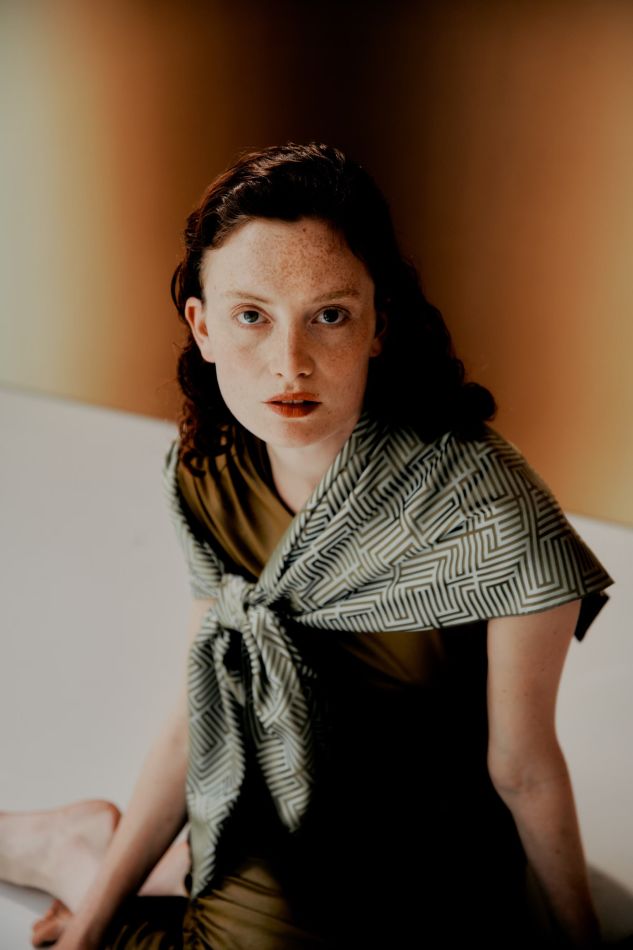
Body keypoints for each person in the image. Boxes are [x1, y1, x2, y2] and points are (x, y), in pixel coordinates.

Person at [0, 142, 614, 949]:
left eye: (329, 315)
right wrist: (93, 925)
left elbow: (522, 766)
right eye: (251, 316)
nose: (289, 365)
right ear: (202, 326)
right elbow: (198, 710)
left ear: (377, 324)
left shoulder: (490, 512)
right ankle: (95, 857)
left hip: (424, 844)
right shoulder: (208, 473)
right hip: (263, 806)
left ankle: (91, 855)